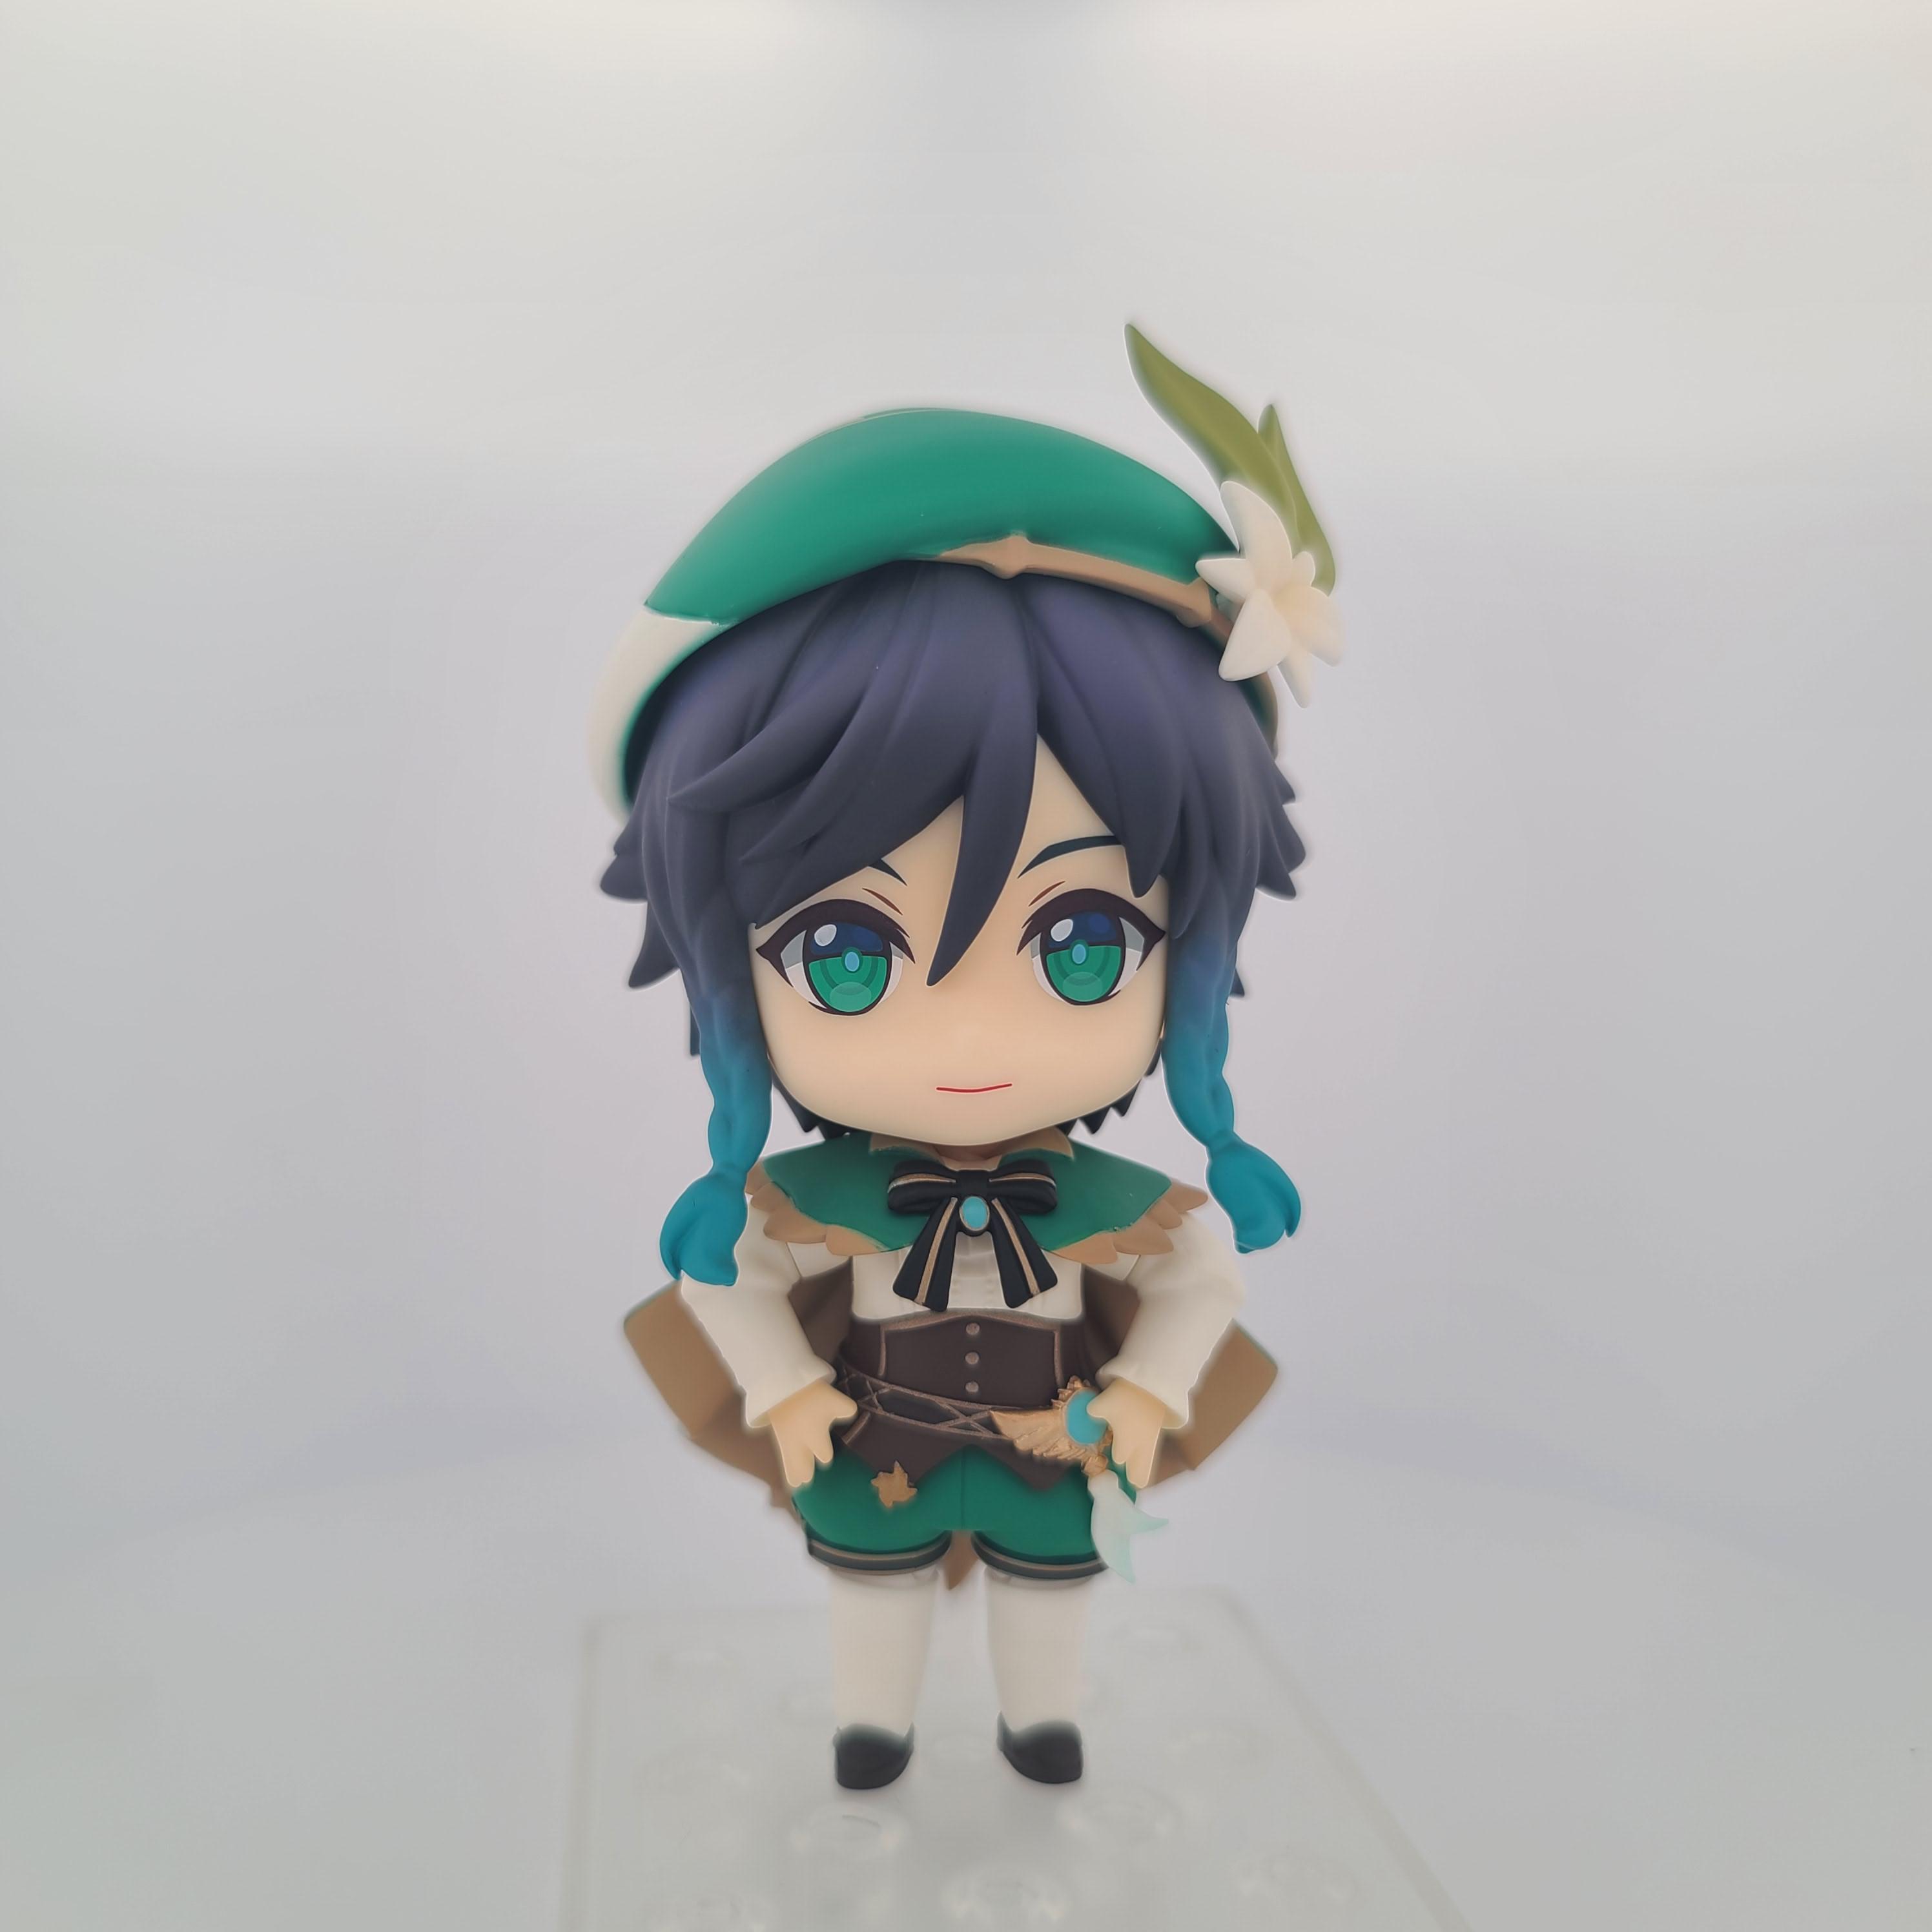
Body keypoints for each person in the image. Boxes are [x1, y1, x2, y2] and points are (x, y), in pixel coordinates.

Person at [591, 327, 1342, 1789]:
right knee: (869, 1586)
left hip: (1056, 1436)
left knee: (1050, 1586)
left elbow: (1201, 1276)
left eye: (1082, 941)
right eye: (846, 955)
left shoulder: (1110, 1200)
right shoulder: (813, 1199)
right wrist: (785, 1388)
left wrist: (1146, 1392)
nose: (973, 1042)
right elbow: (724, 1275)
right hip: (877, 1433)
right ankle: (870, 1724)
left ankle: (1037, 1720)